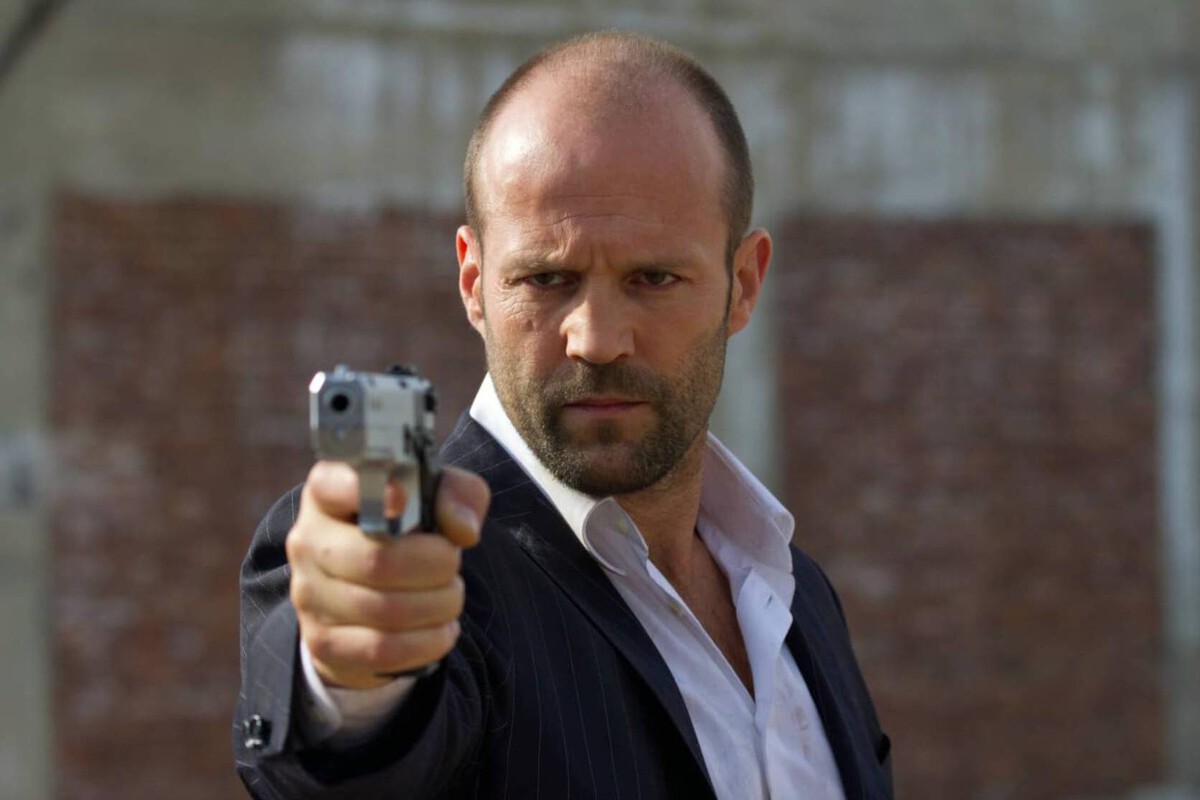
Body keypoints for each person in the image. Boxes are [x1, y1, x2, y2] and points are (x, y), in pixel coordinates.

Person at [234, 31, 892, 800]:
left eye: (653, 278)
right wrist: (352, 681)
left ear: (743, 284)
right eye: (547, 279)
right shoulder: (424, 568)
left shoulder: (798, 596)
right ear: (474, 283)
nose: (597, 339)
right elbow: (347, 770)